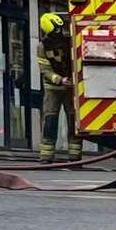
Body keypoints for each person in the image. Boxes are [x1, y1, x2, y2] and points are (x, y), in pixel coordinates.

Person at [37, 11, 82, 164]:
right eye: (56, 30)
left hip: (70, 88)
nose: (59, 33)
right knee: (50, 121)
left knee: (73, 121)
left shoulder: (69, 41)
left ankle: (75, 156)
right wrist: (60, 79)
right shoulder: (42, 47)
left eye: (60, 29)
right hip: (53, 89)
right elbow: (45, 70)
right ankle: (46, 156)